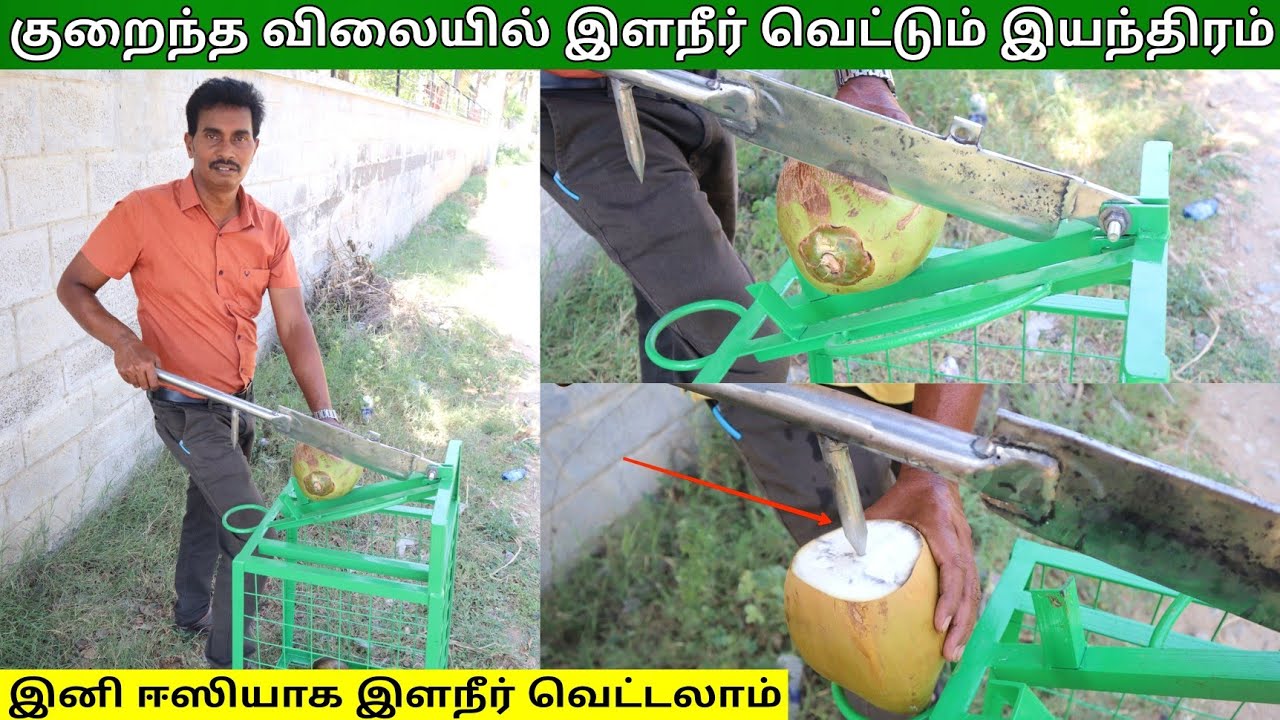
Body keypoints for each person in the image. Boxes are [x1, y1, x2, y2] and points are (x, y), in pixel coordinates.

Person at [56, 77, 342, 669]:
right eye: (212, 135)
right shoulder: (142, 213)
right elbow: (74, 285)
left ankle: (191, 610)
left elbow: (293, 324)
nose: (225, 149)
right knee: (251, 529)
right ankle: (228, 667)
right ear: (189, 142)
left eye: (240, 137)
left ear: (255, 146)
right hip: (184, 406)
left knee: (210, 508)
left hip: (240, 400)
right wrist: (125, 342)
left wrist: (324, 415)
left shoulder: (269, 229)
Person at [540, 69, 909, 383]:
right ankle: (774, 432)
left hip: (696, 83)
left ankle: (694, 392)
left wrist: (863, 74)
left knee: (679, 300)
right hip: (584, 105)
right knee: (755, 354)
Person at [715, 382, 984, 720]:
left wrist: (933, 475)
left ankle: (931, 671)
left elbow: (952, 358)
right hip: (777, 389)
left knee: (933, 524)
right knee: (858, 613)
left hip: (906, 384)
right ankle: (893, 708)